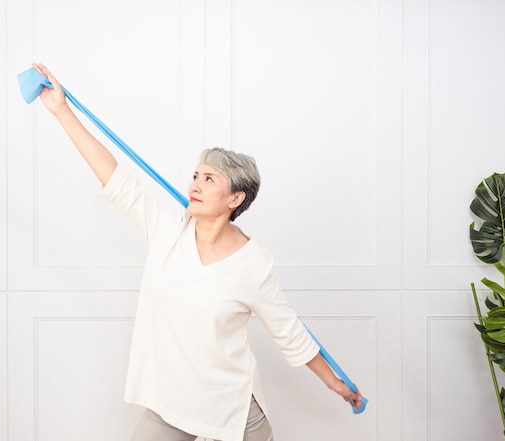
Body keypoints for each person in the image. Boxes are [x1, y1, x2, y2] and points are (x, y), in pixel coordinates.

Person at [31, 62, 362, 441]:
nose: (195, 185)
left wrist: (333, 382)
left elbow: (289, 333)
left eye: (209, 179)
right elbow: (114, 178)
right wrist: (61, 111)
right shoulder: (167, 229)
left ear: (235, 198)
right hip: (171, 404)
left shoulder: (255, 263)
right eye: (195, 176)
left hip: (232, 411)